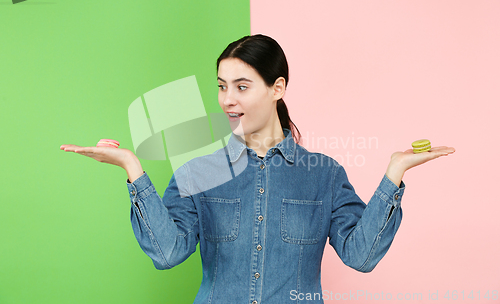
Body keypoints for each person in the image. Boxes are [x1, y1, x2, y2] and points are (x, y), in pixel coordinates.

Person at [60, 34, 455, 304]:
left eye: (242, 86)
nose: (227, 99)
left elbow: (361, 256)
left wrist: (394, 174)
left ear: (277, 88)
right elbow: (166, 253)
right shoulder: (197, 173)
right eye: (221, 86)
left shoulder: (324, 175)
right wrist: (133, 168)